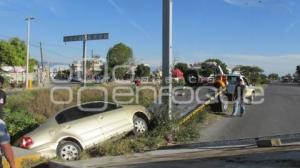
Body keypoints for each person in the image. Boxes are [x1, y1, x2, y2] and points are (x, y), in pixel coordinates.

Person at [0, 76, 15, 168]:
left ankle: (13, 166)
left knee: (5, 144)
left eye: (0, 82)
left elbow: (2, 105)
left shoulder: (2, 94)